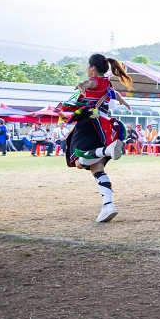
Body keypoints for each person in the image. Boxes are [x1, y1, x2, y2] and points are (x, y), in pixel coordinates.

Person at [60, 53, 132, 222]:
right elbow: (114, 93)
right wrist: (124, 102)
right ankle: (108, 205)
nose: (87, 69)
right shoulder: (107, 82)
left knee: (79, 161)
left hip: (89, 124)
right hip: (103, 127)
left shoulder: (95, 81)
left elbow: (88, 83)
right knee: (97, 169)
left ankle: (106, 150)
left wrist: (82, 85)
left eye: (87, 66)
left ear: (92, 67)